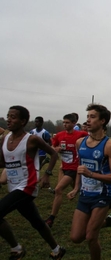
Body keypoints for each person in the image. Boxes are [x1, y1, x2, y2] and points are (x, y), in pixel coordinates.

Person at [0, 105, 66, 259]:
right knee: (35, 221)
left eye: (13, 117)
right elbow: (3, 163)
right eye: (8, 116)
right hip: (13, 185)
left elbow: (53, 154)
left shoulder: (31, 139)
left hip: (27, 186)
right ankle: (57, 250)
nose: (9, 119)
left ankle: (16, 249)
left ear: (23, 121)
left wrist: (47, 174)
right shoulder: (4, 139)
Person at [67, 103, 111, 260]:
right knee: (76, 237)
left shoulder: (109, 146)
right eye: (87, 117)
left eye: (92, 117)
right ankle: (110, 221)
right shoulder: (80, 143)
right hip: (85, 194)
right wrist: (76, 188)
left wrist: (92, 174)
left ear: (102, 121)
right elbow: (80, 168)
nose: (88, 121)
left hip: (102, 195)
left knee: (91, 237)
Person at [44, 113, 88, 228]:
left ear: (74, 123)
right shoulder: (59, 135)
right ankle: (88, 205)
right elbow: (53, 148)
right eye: (64, 122)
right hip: (64, 168)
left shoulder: (81, 134)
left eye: (67, 122)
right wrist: (56, 149)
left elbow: (91, 140)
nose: (65, 124)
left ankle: (51, 218)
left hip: (74, 169)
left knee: (58, 189)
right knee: (79, 190)